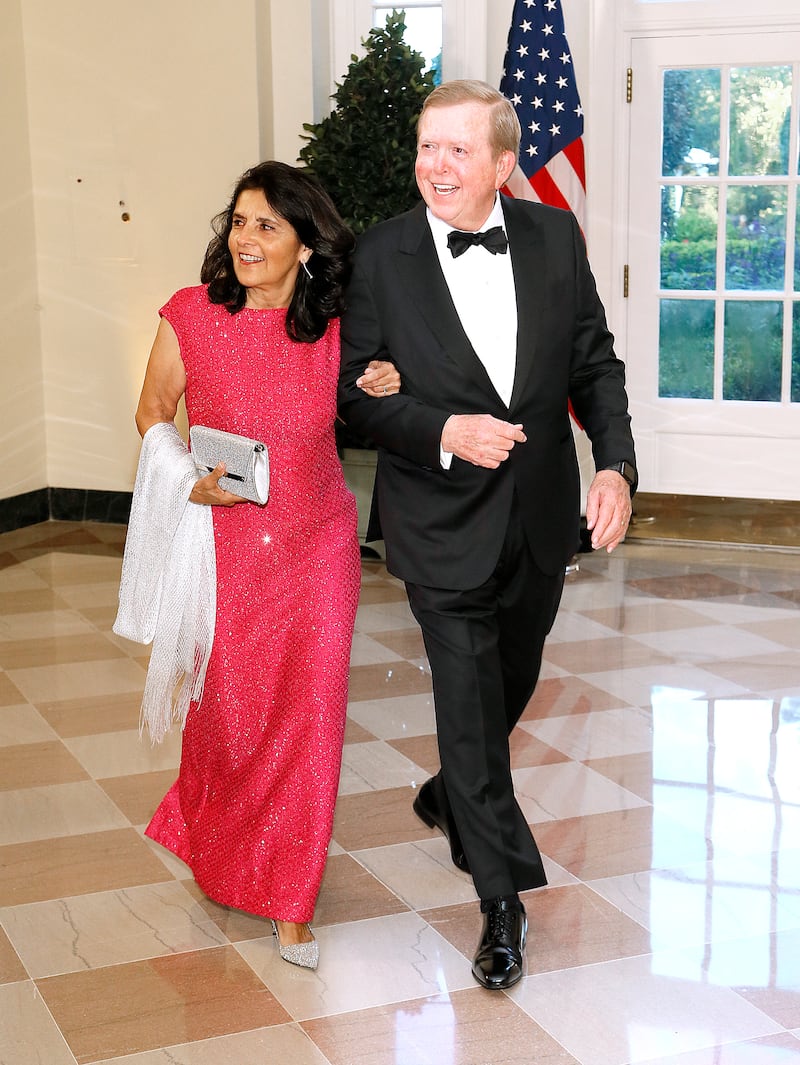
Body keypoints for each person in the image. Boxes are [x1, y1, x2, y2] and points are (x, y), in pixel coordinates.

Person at [337, 80, 636, 990]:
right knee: (466, 701)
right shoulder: (382, 254)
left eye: (458, 150)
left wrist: (616, 465)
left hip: (540, 516)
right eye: (428, 147)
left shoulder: (552, 237)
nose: (435, 166)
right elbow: (353, 398)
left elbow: (593, 358)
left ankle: (448, 795)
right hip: (437, 519)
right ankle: (502, 901)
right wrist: (440, 429)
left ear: (504, 164)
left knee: (511, 678)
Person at [130, 161, 399, 969]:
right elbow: (152, 410)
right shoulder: (190, 315)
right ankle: (219, 846)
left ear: (306, 245)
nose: (246, 239)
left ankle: (290, 897)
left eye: (267, 226)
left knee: (310, 714)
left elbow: (371, 397)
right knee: (229, 714)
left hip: (318, 546)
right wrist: (186, 480)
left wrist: (385, 379)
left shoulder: (340, 328)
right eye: (239, 222)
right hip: (224, 550)